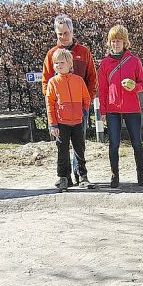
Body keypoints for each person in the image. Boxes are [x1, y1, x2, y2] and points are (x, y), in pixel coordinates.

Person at [42, 14, 97, 185]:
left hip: (80, 109)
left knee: (79, 144)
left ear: (72, 31)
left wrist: (85, 104)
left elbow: (92, 79)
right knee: (63, 147)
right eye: (60, 34)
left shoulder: (83, 52)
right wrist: (56, 106)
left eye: (66, 33)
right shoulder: (52, 55)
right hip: (62, 112)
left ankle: (80, 175)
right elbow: (47, 83)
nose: (63, 37)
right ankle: (64, 177)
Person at [98, 24, 143, 188]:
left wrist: (135, 86)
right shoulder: (105, 64)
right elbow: (103, 89)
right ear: (109, 43)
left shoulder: (134, 61)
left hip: (132, 108)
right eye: (113, 41)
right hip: (112, 109)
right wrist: (103, 111)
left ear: (125, 42)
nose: (116, 44)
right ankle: (114, 175)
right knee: (114, 144)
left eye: (119, 40)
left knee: (137, 143)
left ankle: (140, 174)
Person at [46, 48, 92, 191]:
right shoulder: (53, 82)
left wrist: (83, 111)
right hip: (61, 123)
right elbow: (50, 103)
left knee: (80, 150)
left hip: (77, 122)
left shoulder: (78, 81)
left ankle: (83, 177)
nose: (59, 65)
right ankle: (63, 178)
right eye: (56, 63)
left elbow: (86, 98)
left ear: (70, 64)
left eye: (62, 62)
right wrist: (53, 124)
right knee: (62, 152)